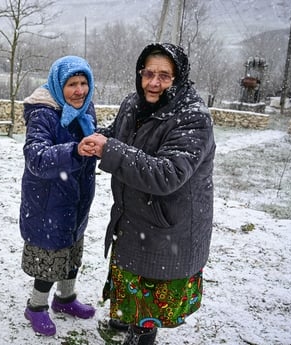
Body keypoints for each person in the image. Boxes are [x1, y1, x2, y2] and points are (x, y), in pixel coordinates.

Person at [78, 43, 216, 345]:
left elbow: (168, 173)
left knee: (150, 296)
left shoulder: (193, 117)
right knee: (131, 278)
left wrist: (109, 149)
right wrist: (97, 138)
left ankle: (140, 337)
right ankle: (124, 318)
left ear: (179, 78)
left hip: (167, 224)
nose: (154, 83)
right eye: (148, 74)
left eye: (164, 76)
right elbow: (119, 133)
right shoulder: (134, 102)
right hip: (134, 216)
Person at [19, 56, 98, 336]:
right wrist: (74, 150)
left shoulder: (86, 110)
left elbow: (94, 139)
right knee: (49, 258)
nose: (80, 90)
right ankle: (36, 307)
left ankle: (65, 300)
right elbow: (36, 158)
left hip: (77, 200)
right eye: (72, 84)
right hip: (48, 203)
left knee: (72, 252)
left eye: (84, 83)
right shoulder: (44, 113)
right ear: (57, 85)